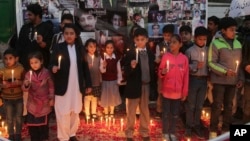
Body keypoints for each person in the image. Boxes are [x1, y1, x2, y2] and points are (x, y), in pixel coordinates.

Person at [50, 23, 92, 141]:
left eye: (71, 33)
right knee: (63, 112)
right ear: (63, 35)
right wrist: (53, 68)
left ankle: (72, 133)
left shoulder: (80, 49)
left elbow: (85, 67)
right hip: (63, 85)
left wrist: (88, 84)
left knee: (75, 110)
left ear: (76, 35)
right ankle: (63, 137)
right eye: (66, 33)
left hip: (77, 86)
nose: (68, 36)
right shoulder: (58, 47)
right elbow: (51, 63)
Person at [208, 17, 243, 139]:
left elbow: (240, 64)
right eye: (231, 30)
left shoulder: (238, 43)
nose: (234, 32)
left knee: (229, 106)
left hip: (232, 82)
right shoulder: (216, 43)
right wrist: (225, 71)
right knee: (217, 106)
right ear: (223, 30)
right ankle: (213, 130)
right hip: (219, 81)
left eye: (235, 30)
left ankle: (226, 129)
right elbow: (211, 63)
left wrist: (240, 78)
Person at [124, 28, 156, 141]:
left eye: (142, 39)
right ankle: (129, 132)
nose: (140, 42)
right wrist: (131, 68)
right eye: (137, 40)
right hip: (134, 86)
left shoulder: (150, 54)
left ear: (146, 39)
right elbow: (126, 71)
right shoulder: (130, 53)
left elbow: (152, 70)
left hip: (146, 85)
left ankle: (144, 131)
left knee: (144, 109)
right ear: (134, 40)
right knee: (131, 110)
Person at [158, 34, 189, 141]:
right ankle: (165, 132)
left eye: (174, 42)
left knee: (175, 114)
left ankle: (172, 132)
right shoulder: (166, 56)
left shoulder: (184, 59)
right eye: (170, 42)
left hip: (178, 92)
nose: (171, 44)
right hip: (167, 91)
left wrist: (184, 92)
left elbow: (186, 77)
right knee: (166, 113)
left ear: (180, 44)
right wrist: (162, 72)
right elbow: (160, 72)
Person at [22, 51, 54, 141]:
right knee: (33, 128)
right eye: (31, 63)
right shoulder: (28, 74)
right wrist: (26, 84)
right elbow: (24, 89)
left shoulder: (47, 73)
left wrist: (51, 98)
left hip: (44, 104)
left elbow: (51, 87)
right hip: (32, 104)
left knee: (43, 128)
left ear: (41, 61)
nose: (34, 65)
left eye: (36, 62)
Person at [184, 26, 209, 139]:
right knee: (191, 105)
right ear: (195, 38)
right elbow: (184, 66)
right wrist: (195, 66)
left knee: (199, 105)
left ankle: (197, 125)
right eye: (200, 39)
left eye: (204, 39)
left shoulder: (208, 50)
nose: (202, 41)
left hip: (204, 80)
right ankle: (189, 126)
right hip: (193, 80)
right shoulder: (189, 51)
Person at [16, 3, 53, 70]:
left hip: (42, 66)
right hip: (26, 65)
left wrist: (41, 43)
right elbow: (19, 45)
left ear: (37, 15)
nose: (28, 17)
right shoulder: (25, 28)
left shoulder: (47, 28)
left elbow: (50, 46)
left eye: (30, 15)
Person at [0, 48, 25, 141]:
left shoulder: (20, 69)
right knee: (9, 118)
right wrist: (3, 85)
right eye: (5, 59)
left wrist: (20, 82)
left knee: (18, 117)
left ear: (16, 59)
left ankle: (18, 134)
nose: (8, 61)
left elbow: (26, 81)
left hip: (18, 97)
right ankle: (11, 135)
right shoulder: (2, 71)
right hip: (7, 98)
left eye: (10, 58)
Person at [154, 24, 175, 119]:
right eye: (165, 35)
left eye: (169, 35)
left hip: (173, 73)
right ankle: (159, 110)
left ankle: (170, 111)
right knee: (161, 91)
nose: (167, 38)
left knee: (171, 92)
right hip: (162, 72)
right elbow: (156, 61)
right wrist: (161, 57)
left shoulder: (175, 45)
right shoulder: (159, 45)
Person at [100, 40, 122, 117]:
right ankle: (106, 112)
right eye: (108, 48)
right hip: (105, 80)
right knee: (106, 96)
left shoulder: (116, 58)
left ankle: (112, 111)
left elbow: (118, 70)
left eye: (111, 48)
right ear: (105, 48)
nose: (109, 49)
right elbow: (102, 71)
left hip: (113, 80)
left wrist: (119, 79)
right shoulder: (103, 58)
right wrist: (104, 66)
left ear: (114, 49)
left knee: (113, 96)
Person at [84, 38, 101, 120]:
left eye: (94, 46)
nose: (92, 48)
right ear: (86, 47)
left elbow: (101, 69)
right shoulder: (84, 57)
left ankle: (93, 112)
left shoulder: (98, 57)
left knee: (94, 98)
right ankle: (87, 113)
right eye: (90, 46)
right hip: (88, 82)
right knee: (87, 98)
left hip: (96, 81)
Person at [240, 17, 250, 123]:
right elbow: (243, 56)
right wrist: (247, 65)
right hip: (249, 76)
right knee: (248, 102)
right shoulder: (247, 39)